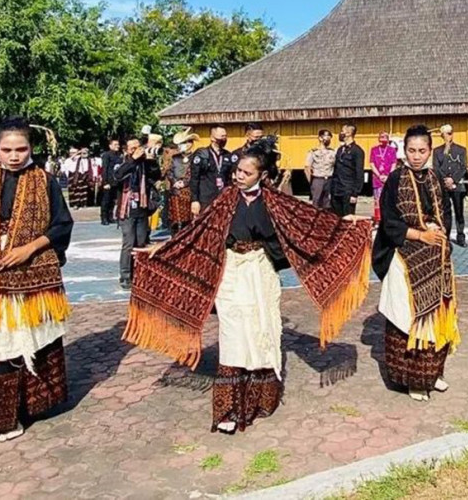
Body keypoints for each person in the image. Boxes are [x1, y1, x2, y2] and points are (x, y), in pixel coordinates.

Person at [123, 138, 371, 433]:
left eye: (246, 172)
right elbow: (196, 233)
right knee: (232, 336)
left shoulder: (276, 202)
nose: (238, 176)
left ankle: (261, 400)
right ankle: (227, 409)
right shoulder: (225, 199)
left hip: (261, 273)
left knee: (262, 331)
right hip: (231, 273)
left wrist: (347, 222)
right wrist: (159, 250)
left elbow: (313, 223)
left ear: (262, 176)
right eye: (237, 170)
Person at [0, 117, 74, 447]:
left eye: (21, 149)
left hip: (30, 276)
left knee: (24, 343)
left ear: (30, 149)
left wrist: (28, 249)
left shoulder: (46, 181)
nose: (14, 156)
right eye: (6, 149)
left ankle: (21, 412)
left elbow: (60, 226)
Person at [373, 125, 457, 401]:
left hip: (434, 256)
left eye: (422, 151)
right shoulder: (396, 180)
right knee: (406, 317)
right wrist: (421, 234)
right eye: (412, 151)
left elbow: (446, 213)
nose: (417, 156)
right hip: (403, 254)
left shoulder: (436, 178)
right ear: (404, 151)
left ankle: (433, 374)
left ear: (430, 151)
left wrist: (440, 233)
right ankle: (412, 379)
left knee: (437, 315)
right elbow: (390, 221)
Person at [116, 137, 161, 290]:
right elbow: (117, 177)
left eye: (138, 147)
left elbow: (156, 176)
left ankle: (140, 273)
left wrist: (151, 161)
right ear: (127, 150)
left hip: (141, 208)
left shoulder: (144, 163)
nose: (136, 150)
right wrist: (133, 160)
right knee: (129, 242)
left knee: (141, 242)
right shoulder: (122, 162)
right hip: (126, 209)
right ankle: (125, 275)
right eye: (132, 148)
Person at [433, 124, 468, 247]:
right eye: (445, 134)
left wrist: (453, 179)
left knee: (459, 212)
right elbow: (436, 167)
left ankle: (460, 236)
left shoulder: (461, 150)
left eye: (450, 133)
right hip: (443, 186)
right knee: (445, 212)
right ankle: (446, 235)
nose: (448, 136)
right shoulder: (437, 151)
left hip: (457, 185)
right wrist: (445, 180)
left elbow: (463, 167)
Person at [190, 126, 235, 217]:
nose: (224, 139)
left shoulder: (228, 155)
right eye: (221, 136)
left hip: (223, 199)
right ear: (212, 137)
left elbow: (230, 178)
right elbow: (194, 178)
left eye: (225, 136)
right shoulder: (202, 155)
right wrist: (194, 200)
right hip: (205, 200)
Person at [330, 123, 364, 217]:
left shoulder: (357, 151)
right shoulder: (340, 149)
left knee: (347, 218)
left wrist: (355, 193)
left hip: (348, 190)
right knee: (335, 218)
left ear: (349, 133)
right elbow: (335, 170)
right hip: (336, 189)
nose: (340, 133)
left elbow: (359, 173)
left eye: (342, 131)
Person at [167, 131, 198, 236]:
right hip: (176, 191)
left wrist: (184, 182)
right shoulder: (175, 158)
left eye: (186, 142)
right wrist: (175, 182)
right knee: (175, 220)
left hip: (190, 190)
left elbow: (194, 172)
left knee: (189, 220)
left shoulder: (195, 157)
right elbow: (169, 172)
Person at [370, 131, 397, 224]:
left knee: (388, 200)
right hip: (377, 179)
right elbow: (372, 163)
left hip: (389, 179)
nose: (383, 139)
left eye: (385, 137)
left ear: (388, 139)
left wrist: (389, 176)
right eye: (381, 137)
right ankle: (378, 219)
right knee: (377, 200)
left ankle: (388, 219)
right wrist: (379, 175)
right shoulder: (374, 149)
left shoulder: (392, 150)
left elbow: (394, 163)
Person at [305, 130, 336, 209]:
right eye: (326, 136)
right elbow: (307, 168)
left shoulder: (332, 152)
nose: (328, 139)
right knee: (316, 203)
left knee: (328, 204)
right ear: (320, 138)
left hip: (329, 179)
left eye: (330, 137)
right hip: (318, 179)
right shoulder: (313, 152)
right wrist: (311, 182)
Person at [99, 138, 123, 225]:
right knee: (106, 200)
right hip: (109, 181)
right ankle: (104, 218)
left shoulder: (120, 155)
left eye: (118, 145)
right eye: (115, 145)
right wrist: (105, 182)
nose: (117, 146)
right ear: (110, 146)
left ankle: (110, 216)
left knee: (113, 200)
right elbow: (104, 169)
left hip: (117, 181)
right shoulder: (107, 155)